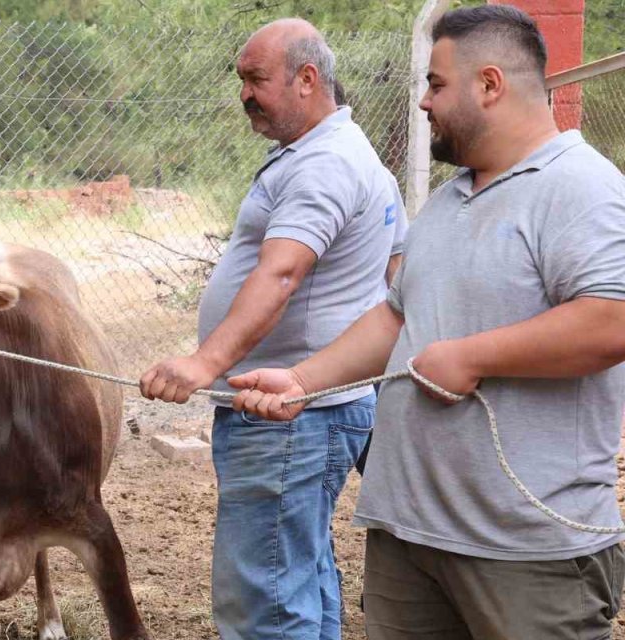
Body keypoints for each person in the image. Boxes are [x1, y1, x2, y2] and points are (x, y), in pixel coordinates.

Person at [230, 6, 625, 638]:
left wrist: (474, 357)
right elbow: (397, 318)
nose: (422, 102)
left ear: (489, 84)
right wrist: (303, 380)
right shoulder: (446, 200)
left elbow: (612, 320)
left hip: (524, 552)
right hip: (409, 535)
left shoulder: (581, 188)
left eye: (437, 84)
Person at [138, 18, 407, 639]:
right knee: (299, 577)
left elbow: (282, 274)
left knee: (266, 601)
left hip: (286, 416)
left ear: (307, 79)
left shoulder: (325, 165)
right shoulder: (345, 156)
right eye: (242, 80)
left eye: (256, 79)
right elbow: (396, 269)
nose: (245, 94)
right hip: (304, 411)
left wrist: (204, 364)